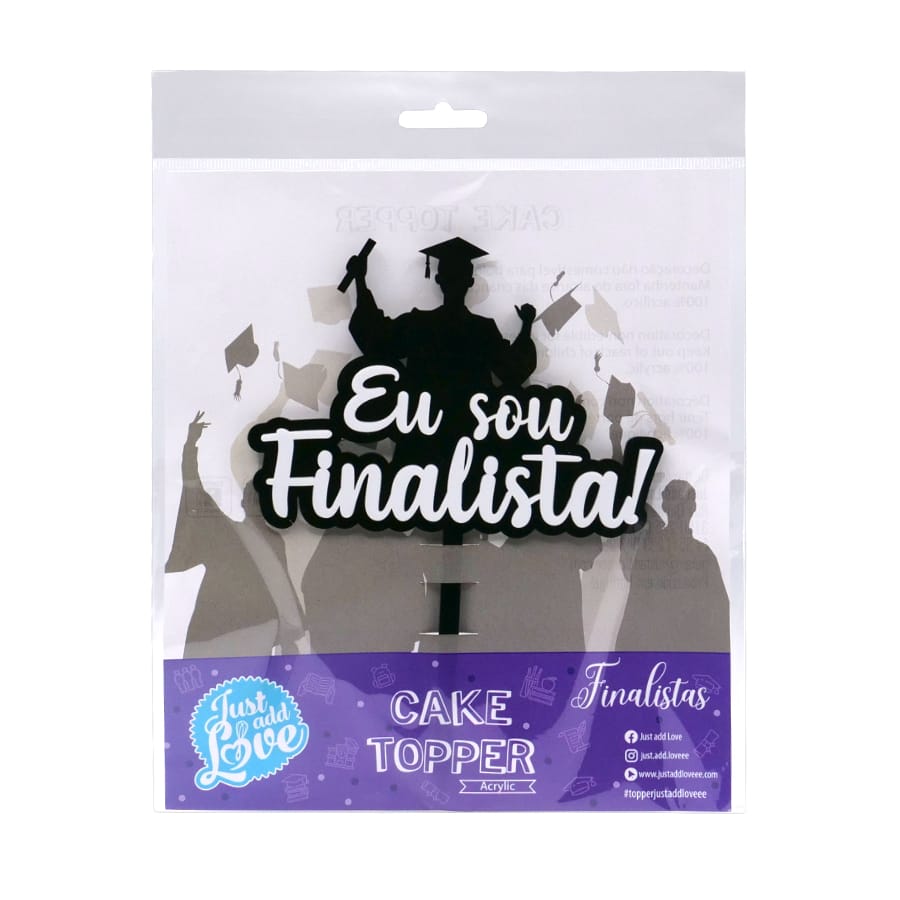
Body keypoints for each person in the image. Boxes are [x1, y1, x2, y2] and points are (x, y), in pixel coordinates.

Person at [344, 237, 537, 458]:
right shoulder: (481, 330)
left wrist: (360, 279)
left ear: (439, 279)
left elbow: (375, 337)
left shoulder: (420, 324)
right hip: (467, 435)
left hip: (426, 433)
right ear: (470, 282)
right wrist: (526, 326)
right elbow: (513, 369)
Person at [165, 411, 307, 658]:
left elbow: (284, 595)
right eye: (252, 497)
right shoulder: (225, 532)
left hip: (260, 632)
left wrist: (287, 640)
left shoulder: (275, 542)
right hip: (220, 630)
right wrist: (190, 448)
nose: (256, 503)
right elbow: (194, 489)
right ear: (243, 502)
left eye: (261, 499)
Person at [615, 479, 729, 652]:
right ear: (665, 506)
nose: (680, 510)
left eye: (685, 504)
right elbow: (635, 608)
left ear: (693, 508)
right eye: (676, 503)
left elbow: (720, 613)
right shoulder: (648, 552)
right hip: (654, 652)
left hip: (691, 652)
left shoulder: (704, 556)